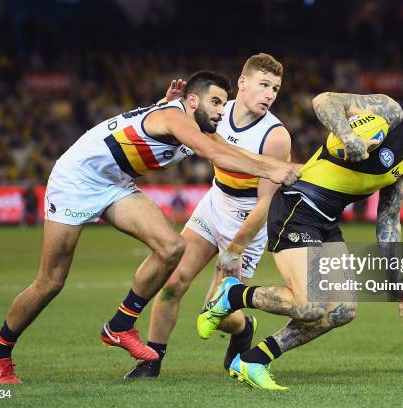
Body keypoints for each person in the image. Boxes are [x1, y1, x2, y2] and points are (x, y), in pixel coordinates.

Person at [0, 71, 300, 384]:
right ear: (192, 100)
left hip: (114, 183)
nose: (221, 110)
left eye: (222, 103)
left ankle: (120, 324)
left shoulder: (196, 121)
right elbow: (217, 153)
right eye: (215, 102)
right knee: (51, 280)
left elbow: (229, 150)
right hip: (76, 180)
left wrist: (278, 168)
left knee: (171, 247)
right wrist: (276, 169)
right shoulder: (178, 120)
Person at [197, 69, 403, 390]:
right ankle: (232, 293)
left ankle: (254, 359)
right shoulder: (390, 110)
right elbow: (324, 101)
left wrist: (397, 277)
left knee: (343, 310)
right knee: (310, 305)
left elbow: (388, 219)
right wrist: (349, 138)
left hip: (326, 222)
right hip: (297, 205)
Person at [125, 53, 292, 379]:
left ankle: (243, 330)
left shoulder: (275, 136)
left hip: (247, 222)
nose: (270, 94)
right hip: (215, 204)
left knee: (218, 313)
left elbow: (266, 205)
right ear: (242, 83)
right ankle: (151, 361)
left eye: (275, 88)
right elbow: (167, 125)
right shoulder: (217, 110)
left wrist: (235, 249)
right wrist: (166, 101)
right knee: (172, 282)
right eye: (264, 85)